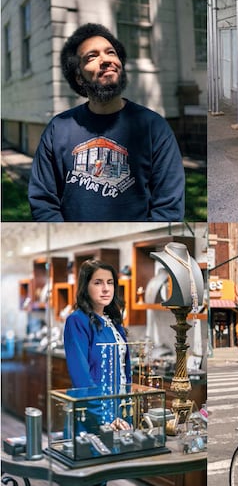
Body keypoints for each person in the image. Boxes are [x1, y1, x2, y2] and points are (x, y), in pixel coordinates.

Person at [29, 23, 185, 222]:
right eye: (92, 57)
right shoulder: (58, 128)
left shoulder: (154, 127)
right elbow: (43, 203)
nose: (106, 60)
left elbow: (168, 207)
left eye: (111, 53)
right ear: (78, 77)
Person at [64, 259, 131, 432]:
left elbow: (124, 373)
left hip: (120, 411)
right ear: (85, 286)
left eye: (110, 283)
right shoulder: (77, 321)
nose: (106, 289)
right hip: (94, 414)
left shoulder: (114, 321)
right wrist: (104, 417)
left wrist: (126, 411)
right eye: (98, 283)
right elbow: (81, 377)